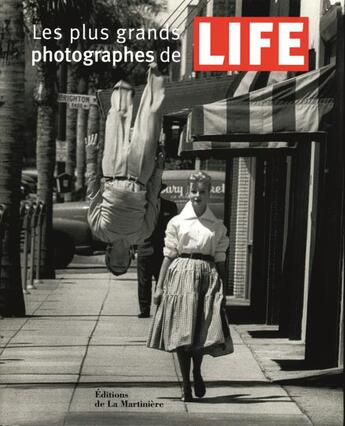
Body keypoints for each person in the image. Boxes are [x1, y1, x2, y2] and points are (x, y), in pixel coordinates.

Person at [147, 171, 234, 402]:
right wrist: (159, 287)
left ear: (209, 193)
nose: (197, 196)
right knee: (181, 333)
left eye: (202, 192)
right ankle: (186, 384)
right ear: (188, 192)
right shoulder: (176, 223)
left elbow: (220, 259)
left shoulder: (217, 226)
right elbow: (168, 255)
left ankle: (197, 370)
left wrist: (224, 289)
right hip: (180, 278)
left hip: (207, 278)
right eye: (194, 191)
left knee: (200, 332)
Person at [85, 63, 165, 275]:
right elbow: (154, 198)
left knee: (117, 116)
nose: (121, 262)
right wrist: (158, 170)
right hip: (140, 175)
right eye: (124, 266)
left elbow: (92, 193)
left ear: (108, 258)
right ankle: (155, 71)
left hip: (112, 171)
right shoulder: (142, 235)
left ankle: (122, 74)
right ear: (131, 259)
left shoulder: (100, 230)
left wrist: (91, 156)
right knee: (151, 120)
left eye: (115, 265)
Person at [137, 192, 177, 318]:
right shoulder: (141, 205)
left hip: (162, 249)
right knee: (143, 281)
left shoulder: (170, 206)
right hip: (144, 247)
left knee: (162, 279)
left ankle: (160, 308)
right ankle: (144, 310)